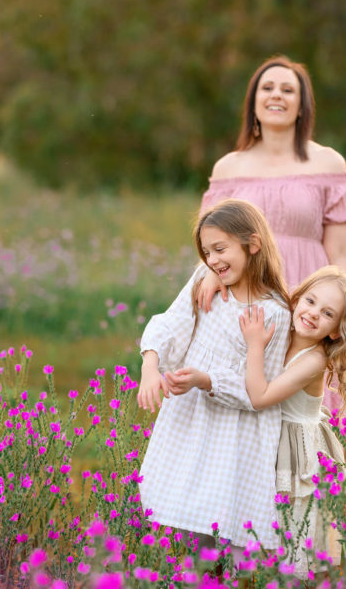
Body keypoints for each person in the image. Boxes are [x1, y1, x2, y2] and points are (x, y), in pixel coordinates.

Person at [198, 55, 346, 413]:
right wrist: (210, 275)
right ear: (253, 103)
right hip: (248, 299)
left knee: (302, 408)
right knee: (250, 396)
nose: (277, 95)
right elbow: (210, 245)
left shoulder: (327, 164)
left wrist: (345, 313)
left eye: (288, 89)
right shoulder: (228, 168)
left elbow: (342, 253)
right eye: (268, 88)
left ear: (302, 106)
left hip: (309, 297)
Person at [136, 199, 292, 557]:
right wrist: (150, 366)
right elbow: (172, 323)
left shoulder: (274, 312)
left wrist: (206, 380)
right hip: (193, 423)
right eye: (207, 252)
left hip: (236, 433)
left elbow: (259, 390)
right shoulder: (205, 282)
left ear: (253, 244)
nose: (213, 260)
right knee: (192, 528)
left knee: (236, 534)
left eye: (220, 249)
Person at [237, 265, 346, 576]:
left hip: (298, 453)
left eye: (327, 313)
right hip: (274, 439)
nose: (312, 314)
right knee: (262, 529)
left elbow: (260, 397)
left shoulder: (314, 360)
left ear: (336, 330)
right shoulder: (283, 329)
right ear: (296, 299)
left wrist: (255, 345)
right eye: (310, 301)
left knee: (296, 532)